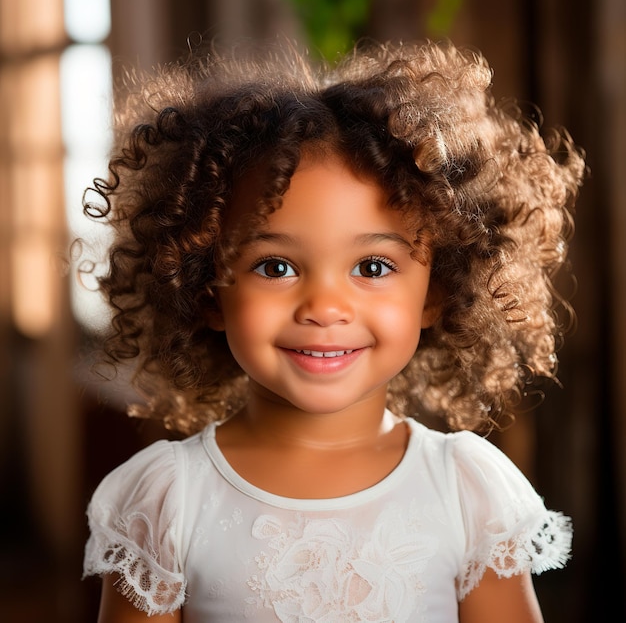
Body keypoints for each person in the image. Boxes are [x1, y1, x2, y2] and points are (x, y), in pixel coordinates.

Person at [81, 39, 585, 622]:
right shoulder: (167, 501)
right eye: (276, 267)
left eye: (372, 268)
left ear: (438, 291)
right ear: (207, 291)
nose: (324, 307)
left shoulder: (466, 491)